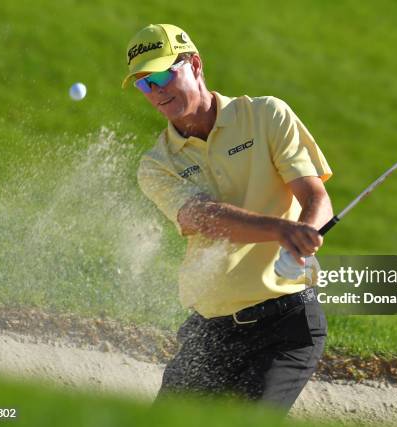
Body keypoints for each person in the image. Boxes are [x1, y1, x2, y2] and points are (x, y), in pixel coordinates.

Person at [121, 24, 334, 413]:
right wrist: (281, 230)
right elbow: (206, 218)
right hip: (211, 331)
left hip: (285, 325)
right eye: (143, 84)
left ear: (195, 64)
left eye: (163, 75)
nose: (156, 91)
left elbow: (315, 197)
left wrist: (307, 232)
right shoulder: (156, 164)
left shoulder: (266, 115)